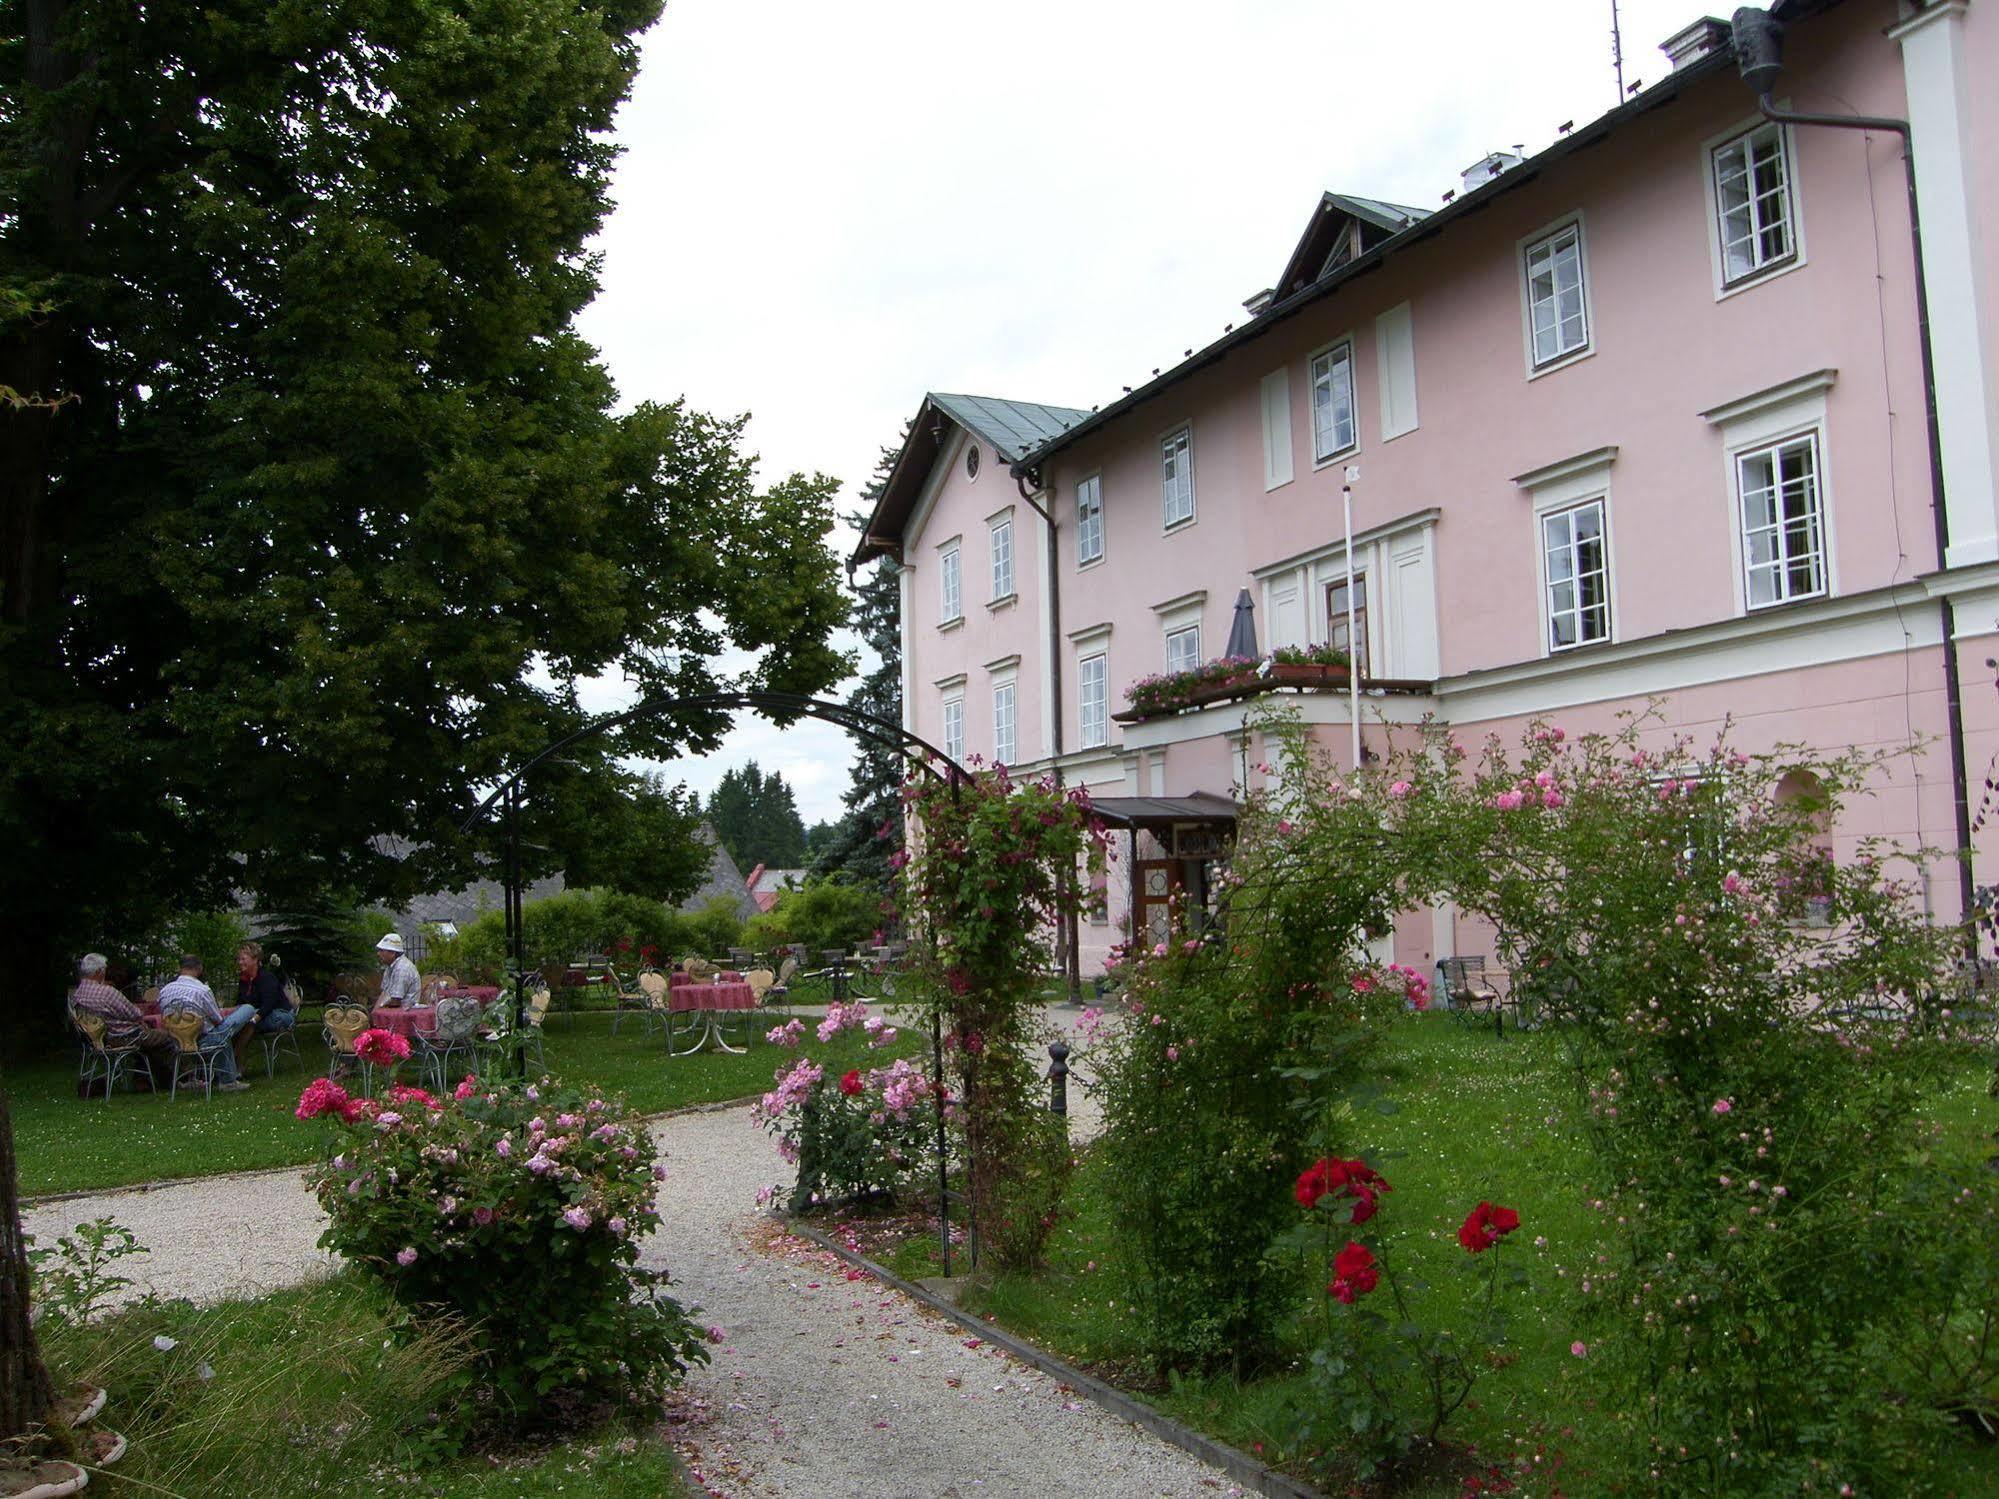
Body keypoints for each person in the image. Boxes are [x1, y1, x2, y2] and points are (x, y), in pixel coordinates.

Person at [69, 953, 175, 1089]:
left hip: (97, 1039)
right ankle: (173, 1080)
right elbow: (135, 1014)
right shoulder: (106, 992)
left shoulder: (77, 995)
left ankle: (142, 1080)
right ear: (99, 972)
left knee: (150, 1043)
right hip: (123, 1037)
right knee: (166, 1037)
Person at [157, 955, 255, 1092]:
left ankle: (224, 1080)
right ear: (199, 968)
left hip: (176, 1042)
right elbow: (218, 1019)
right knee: (247, 1010)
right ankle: (228, 1082)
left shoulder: (164, 991)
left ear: (180, 968)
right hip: (204, 1041)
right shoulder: (202, 990)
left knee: (222, 1034)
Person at [233, 940, 294, 1073]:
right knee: (235, 1025)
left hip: (280, 1014)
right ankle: (236, 1066)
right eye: (239, 959)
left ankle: (234, 1063)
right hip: (260, 1014)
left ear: (255, 959)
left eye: (243, 959)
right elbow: (240, 1004)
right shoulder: (244, 980)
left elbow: (269, 1004)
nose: (240, 962)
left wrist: (253, 1018)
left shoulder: (266, 977)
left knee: (249, 1024)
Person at [375, 932, 421, 1008]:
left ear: (392, 953)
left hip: (404, 1013)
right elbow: (384, 994)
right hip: (395, 1011)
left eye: (382, 950)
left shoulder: (402, 969)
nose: (378, 954)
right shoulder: (390, 967)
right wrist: (374, 1013)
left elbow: (395, 1001)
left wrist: (378, 1008)